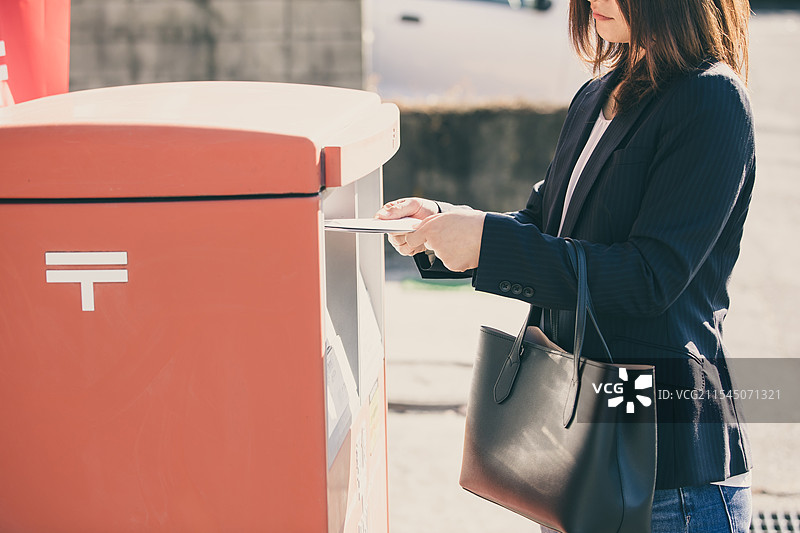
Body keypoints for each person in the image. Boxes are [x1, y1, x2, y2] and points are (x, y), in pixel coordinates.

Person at [376, 0, 755, 530]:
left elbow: (649, 278)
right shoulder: (597, 94)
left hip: (668, 479)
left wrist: (486, 244)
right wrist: (448, 224)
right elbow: (544, 222)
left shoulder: (711, 100)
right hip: (575, 452)